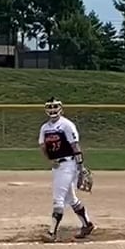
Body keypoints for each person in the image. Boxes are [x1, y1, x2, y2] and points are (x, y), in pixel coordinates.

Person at [38, 98, 94, 241]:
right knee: (71, 199)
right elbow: (43, 146)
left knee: (58, 199)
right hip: (58, 166)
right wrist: (50, 160)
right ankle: (87, 224)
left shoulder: (67, 125)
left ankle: (51, 233)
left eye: (55, 107)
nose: (52, 110)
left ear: (61, 109)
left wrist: (81, 168)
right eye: (50, 107)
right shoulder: (45, 128)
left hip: (69, 165)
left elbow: (75, 146)